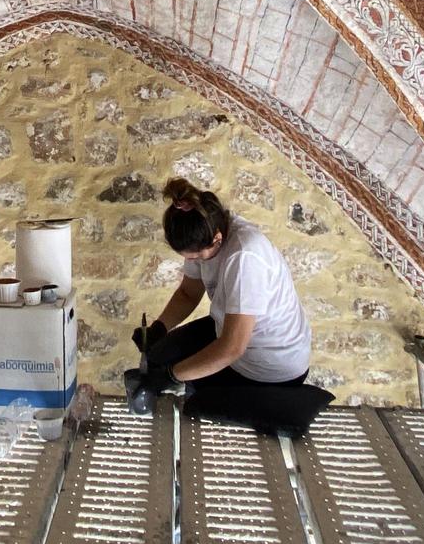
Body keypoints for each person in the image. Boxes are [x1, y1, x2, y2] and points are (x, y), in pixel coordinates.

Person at [126, 175, 331, 436]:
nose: (195, 261)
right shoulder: (203, 229)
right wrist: (159, 327)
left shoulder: (245, 257)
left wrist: (173, 376)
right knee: (157, 356)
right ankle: (186, 381)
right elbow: (189, 293)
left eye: (198, 256)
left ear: (218, 239)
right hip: (230, 328)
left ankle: (269, 407)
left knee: (196, 401)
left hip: (271, 365)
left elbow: (232, 348)